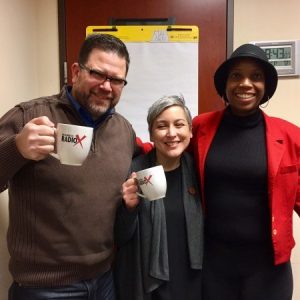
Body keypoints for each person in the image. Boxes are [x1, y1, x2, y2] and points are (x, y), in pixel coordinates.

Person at [0, 34, 141, 300]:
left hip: (104, 281)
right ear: (76, 71)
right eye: (98, 74)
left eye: (117, 80)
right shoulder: (29, 116)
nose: (107, 87)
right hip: (43, 288)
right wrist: (16, 148)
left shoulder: (124, 131)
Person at [191, 43, 300, 300]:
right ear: (225, 84)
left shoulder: (290, 136)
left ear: (266, 87)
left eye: (256, 76)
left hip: (269, 269)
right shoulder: (200, 127)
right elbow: (165, 147)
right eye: (237, 75)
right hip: (214, 266)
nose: (246, 83)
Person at [114, 95, 204, 300]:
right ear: (151, 134)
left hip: (191, 279)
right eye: (162, 126)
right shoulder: (134, 171)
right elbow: (120, 237)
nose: (171, 133)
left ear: (190, 131)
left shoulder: (199, 170)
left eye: (179, 125)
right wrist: (129, 209)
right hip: (146, 283)